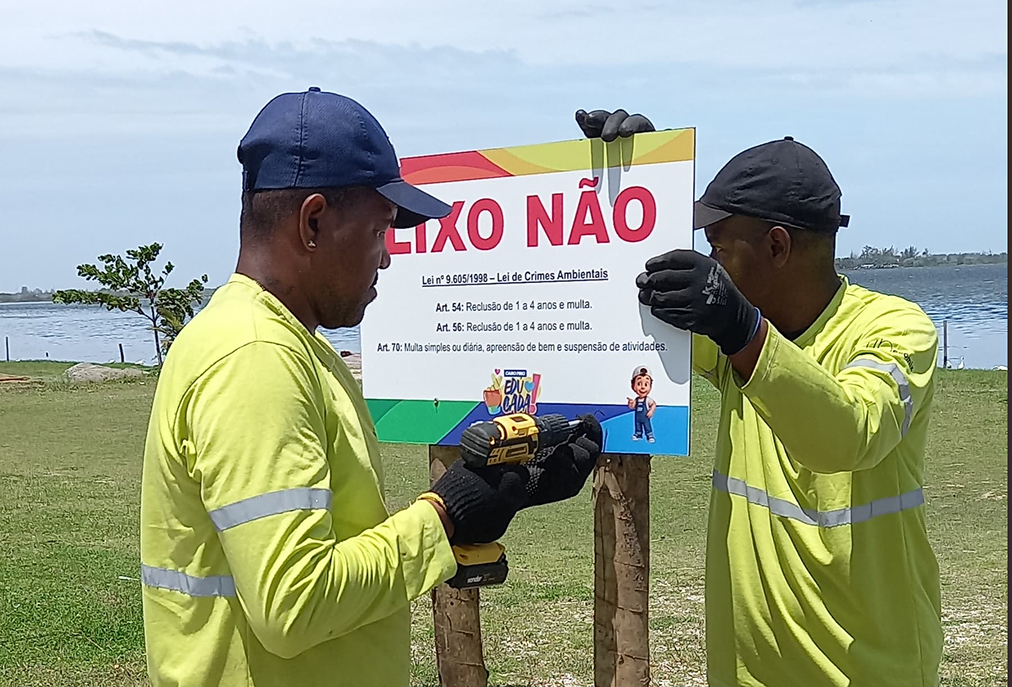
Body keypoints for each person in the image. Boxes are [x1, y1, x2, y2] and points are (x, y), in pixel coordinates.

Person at [138, 87, 603, 687]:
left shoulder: (279, 341)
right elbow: (294, 604)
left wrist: (494, 497)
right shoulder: (257, 357)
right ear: (313, 222)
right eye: (381, 229)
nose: (386, 257)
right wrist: (446, 515)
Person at [576, 109, 942, 687]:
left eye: (719, 248)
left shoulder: (896, 329)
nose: (711, 265)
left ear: (776, 246)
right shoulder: (736, 341)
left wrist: (742, 328)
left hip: (868, 673)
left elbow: (851, 432)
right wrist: (641, 180)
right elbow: (637, 315)